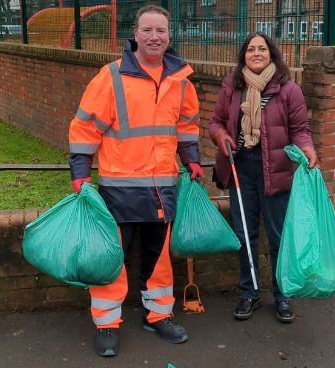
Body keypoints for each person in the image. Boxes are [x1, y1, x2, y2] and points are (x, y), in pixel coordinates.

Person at [67, 5, 203, 357]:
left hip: (163, 188)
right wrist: (80, 173)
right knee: (114, 258)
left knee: (158, 260)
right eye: (147, 30)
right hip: (120, 188)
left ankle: (157, 315)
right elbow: (85, 128)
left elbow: (186, 126)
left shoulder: (181, 80)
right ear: (136, 34)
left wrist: (193, 161)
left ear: (169, 34)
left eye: (161, 30)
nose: (154, 37)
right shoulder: (111, 77)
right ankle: (107, 323)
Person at [208, 32, 319, 324]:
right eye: (250, 49)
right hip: (240, 167)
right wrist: (220, 136)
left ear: (271, 54)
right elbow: (216, 122)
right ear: (243, 55)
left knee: (278, 236)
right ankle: (250, 292)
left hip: (276, 168)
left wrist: (307, 148)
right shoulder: (232, 87)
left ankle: (282, 296)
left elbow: (300, 129)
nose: (256, 53)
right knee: (244, 234)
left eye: (262, 48)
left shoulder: (288, 89)